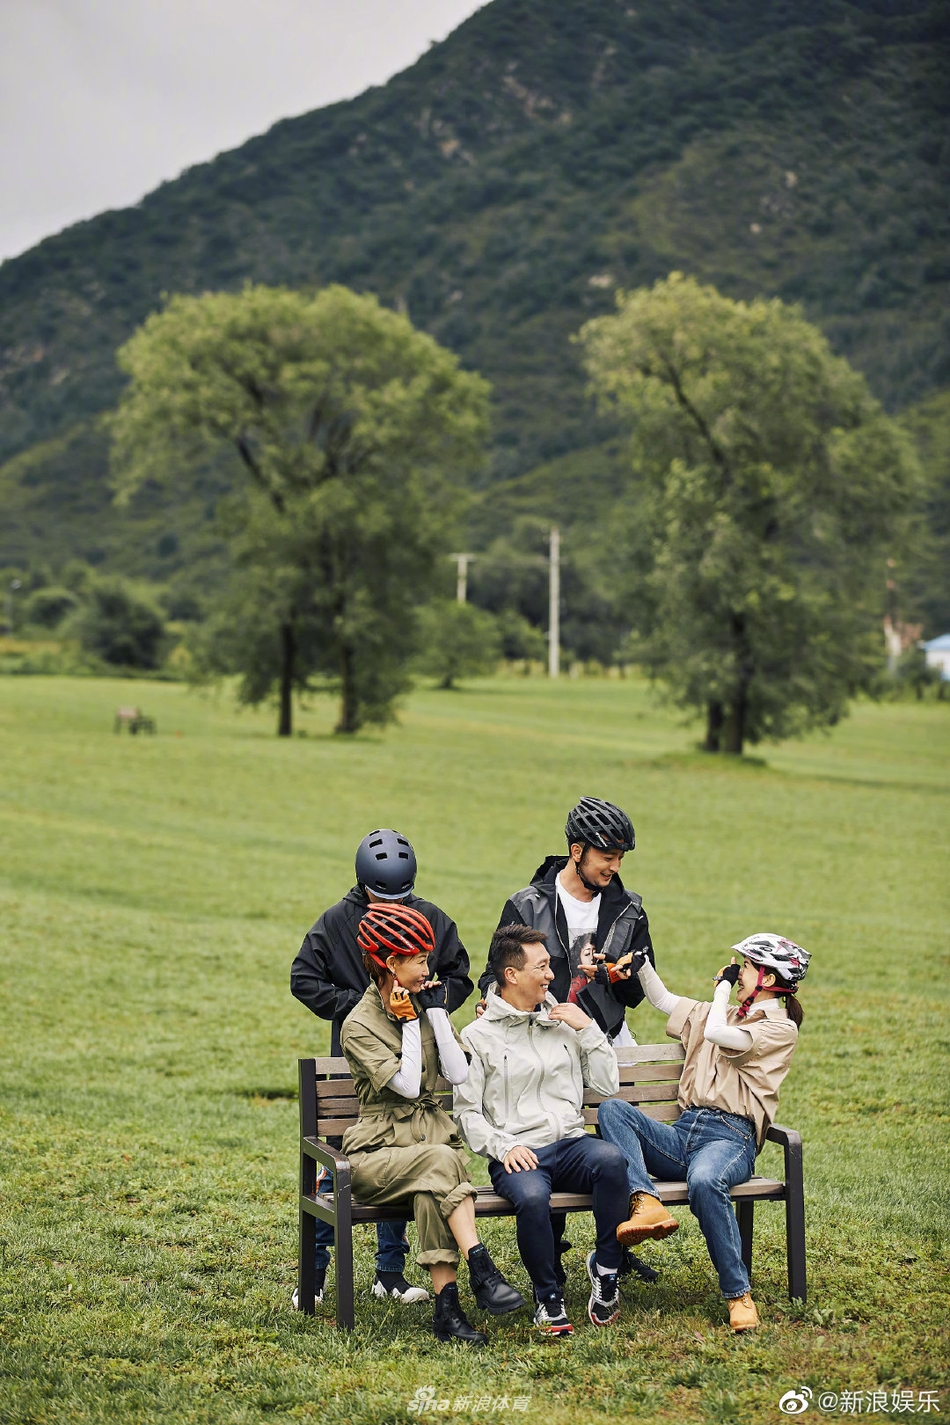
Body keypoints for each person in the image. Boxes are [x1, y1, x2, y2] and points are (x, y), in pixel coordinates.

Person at [290, 828, 474, 1306]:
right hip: (356, 1061)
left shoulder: (429, 918)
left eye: (401, 894)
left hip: (418, 1055)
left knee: (406, 1152)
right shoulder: (335, 922)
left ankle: (389, 1274)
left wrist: (432, 1006)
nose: (392, 903)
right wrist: (361, 1006)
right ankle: (313, 1277)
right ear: (362, 883)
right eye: (380, 895)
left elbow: (460, 974)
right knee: (336, 1171)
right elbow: (303, 979)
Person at [597, 933, 810, 1333]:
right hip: (684, 1131)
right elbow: (665, 1001)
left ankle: (738, 1295)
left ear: (766, 979)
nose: (737, 969)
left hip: (730, 1138)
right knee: (613, 1110)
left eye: (746, 965)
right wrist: (641, 966)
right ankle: (646, 1201)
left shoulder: (779, 1029)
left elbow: (716, 1034)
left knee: (706, 1180)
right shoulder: (724, 1012)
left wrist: (723, 989)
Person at [339, 902, 525, 1346]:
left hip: (426, 1146)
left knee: (432, 1189)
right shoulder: (358, 1025)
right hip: (375, 1158)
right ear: (391, 963)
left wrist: (436, 1011)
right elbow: (404, 1086)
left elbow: (458, 1073)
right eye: (420, 960)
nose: (428, 969)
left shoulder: (424, 1003)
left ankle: (449, 1311)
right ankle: (482, 1266)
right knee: (443, 1162)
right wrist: (408, 1023)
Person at [455, 924, 630, 1337]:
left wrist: (587, 1030)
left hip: (569, 1144)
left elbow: (608, 1086)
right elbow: (467, 1114)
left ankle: (606, 1270)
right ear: (511, 975)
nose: (552, 975)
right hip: (518, 1151)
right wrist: (503, 1146)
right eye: (543, 967)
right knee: (533, 1197)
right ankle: (548, 1298)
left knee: (611, 1160)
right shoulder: (477, 1036)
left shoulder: (564, 1023)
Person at [476, 797, 655, 1045]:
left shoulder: (629, 911)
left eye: (620, 858)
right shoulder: (526, 906)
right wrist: (491, 1000)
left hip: (606, 1044)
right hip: (538, 1047)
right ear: (577, 851)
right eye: (607, 857)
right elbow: (494, 976)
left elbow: (639, 992)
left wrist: (615, 974)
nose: (615, 867)